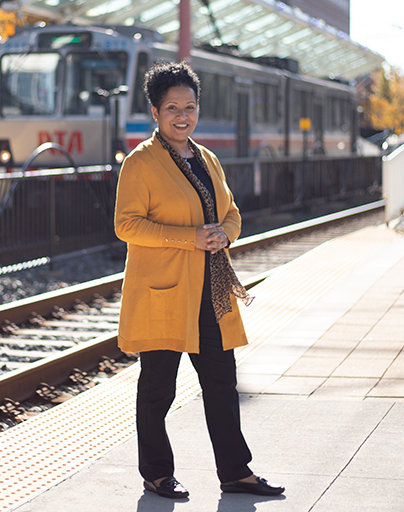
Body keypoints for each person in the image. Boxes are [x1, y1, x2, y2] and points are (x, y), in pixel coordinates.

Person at [114, 60, 284, 500]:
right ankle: (156, 473)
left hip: (211, 291)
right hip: (164, 294)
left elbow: (231, 213)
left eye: (189, 107)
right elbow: (126, 225)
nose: (182, 116)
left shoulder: (207, 158)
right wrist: (188, 238)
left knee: (222, 386)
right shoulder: (140, 163)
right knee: (158, 389)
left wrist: (224, 233)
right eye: (172, 107)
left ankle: (236, 472)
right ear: (155, 112)